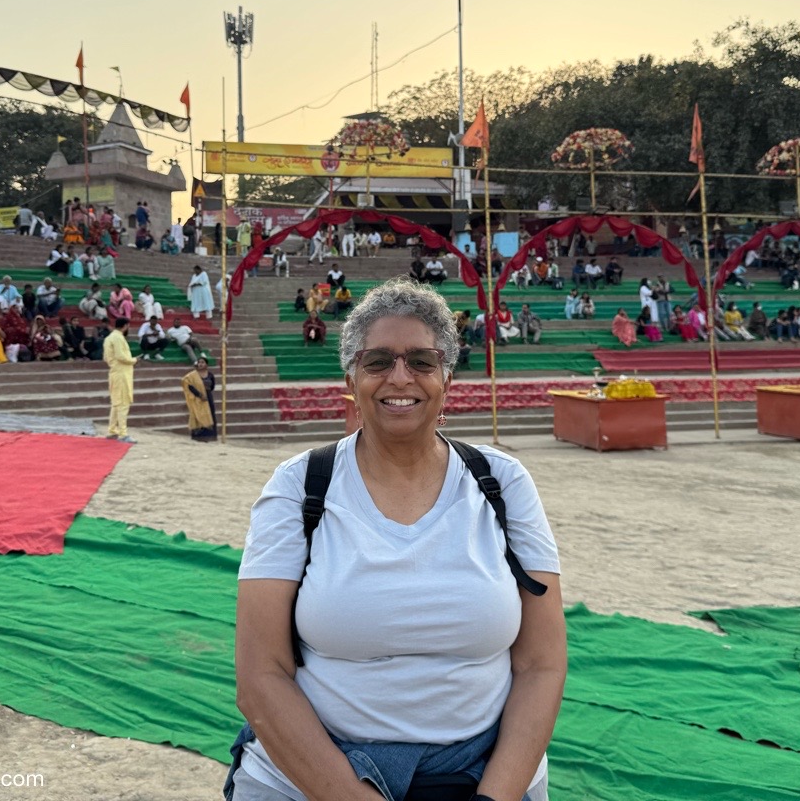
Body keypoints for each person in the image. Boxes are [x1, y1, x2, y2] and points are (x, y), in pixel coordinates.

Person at [229, 276, 563, 801]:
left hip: (484, 773)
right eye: (378, 361)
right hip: (313, 774)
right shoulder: (299, 486)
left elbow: (540, 664)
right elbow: (260, 676)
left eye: (422, 361)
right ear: (352, 376)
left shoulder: (503, 483)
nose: (400, 377)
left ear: (447, 376)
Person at [102, 317, 138, 441]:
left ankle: (112, 430)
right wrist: (133, 360)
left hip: (115, 372)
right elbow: (120, 356)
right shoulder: (118, 338)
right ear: (125, 326)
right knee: (123, 403)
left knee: (116, 403)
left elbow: (106, 357)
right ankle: (123, 433)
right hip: (122, 373)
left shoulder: (109, 338)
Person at [182, 357, 217, 442]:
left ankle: (210, 436)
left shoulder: (210, 375)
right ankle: (198, 436)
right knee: (197, 415)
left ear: (206, 365)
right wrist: (199, 394)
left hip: (208, 397)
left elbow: (212, 386)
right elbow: (188, 385)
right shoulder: (192, 375)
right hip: (197, 398)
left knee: (210, 414)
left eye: (202, 362)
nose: (200, 364)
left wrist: (206, 391)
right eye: (199, 362)